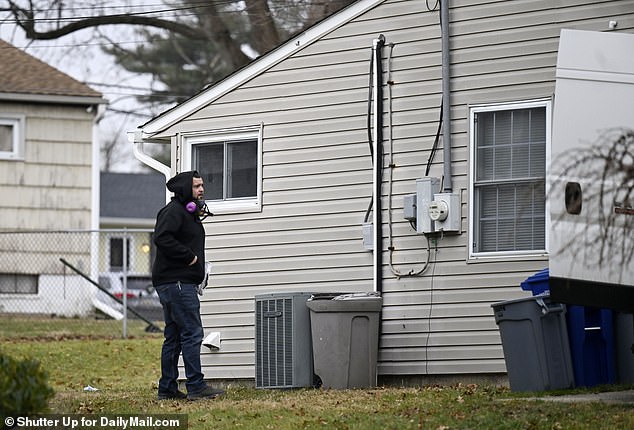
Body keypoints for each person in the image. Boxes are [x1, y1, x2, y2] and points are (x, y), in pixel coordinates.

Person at [152, 170, 225, 401]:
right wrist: (189, 257)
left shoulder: (187, 212)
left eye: (202, 185)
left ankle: (167, 389)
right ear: (185, 189)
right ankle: (196, 386)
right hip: (177, 283)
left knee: (173, 337)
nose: (201, 190)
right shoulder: (173, 211)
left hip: (176, 283)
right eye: (196, 186)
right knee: (193, 333)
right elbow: (162, 238)